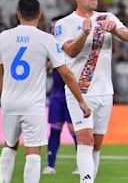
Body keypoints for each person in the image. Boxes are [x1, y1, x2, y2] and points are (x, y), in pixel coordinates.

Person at [0, 0, 90, 183]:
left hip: (9, 101)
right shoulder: (46, 39)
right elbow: (66, 74)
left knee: (9, 146)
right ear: (40, 15)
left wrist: (5, 95)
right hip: (33, 104)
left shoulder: (4, 37)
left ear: (17, 14)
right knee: (33, 151)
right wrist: (81, 101)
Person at [54, 0, 128, 183]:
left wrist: (114, 28)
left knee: (96, 145)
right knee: (85, 140)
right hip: (79, 91)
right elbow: (70, 52)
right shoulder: (64, 24)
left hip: (105, 91)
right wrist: (84, 34)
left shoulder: (107, 17)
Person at [42, 16, 79, 175]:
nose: (53, 30)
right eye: (52, 27)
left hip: (71, 94)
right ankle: (50, 166)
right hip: (57, 95)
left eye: (56, 27)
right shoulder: (49, 46)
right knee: (55, 130)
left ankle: (81, 166)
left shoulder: (71, 46)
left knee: (75, 131)